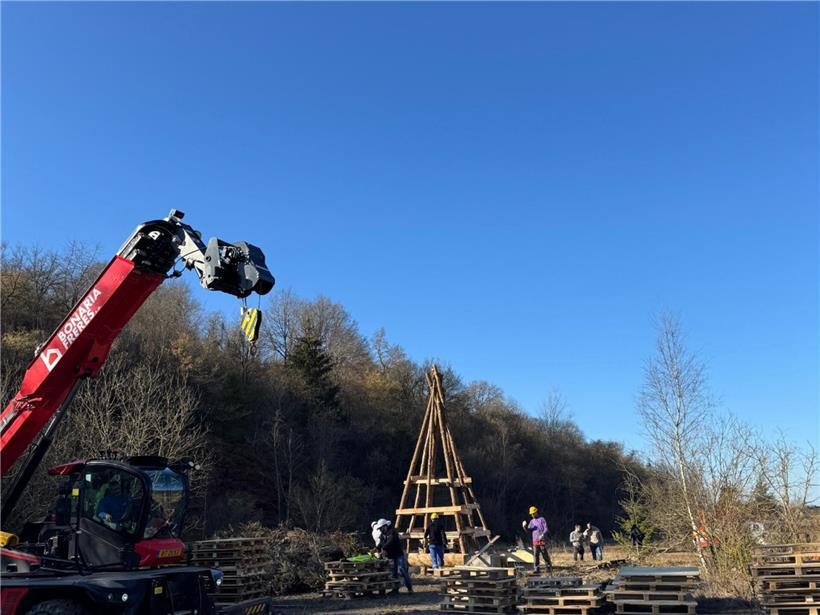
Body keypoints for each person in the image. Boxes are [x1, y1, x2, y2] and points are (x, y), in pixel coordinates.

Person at [379, 523, 413, 593]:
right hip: (391, 556)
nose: (380, 530)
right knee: (394, 573)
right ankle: (395, 589)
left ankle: (409, 588)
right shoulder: (382, 535)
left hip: (398, 555)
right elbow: (381, 543)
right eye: (379, 529)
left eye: (381, 528)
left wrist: (383, 547)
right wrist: (376, 548)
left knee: (403, 571)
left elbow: (390, 543)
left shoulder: (393, 533)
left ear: (385, 526)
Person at [522, 506, 552, 574]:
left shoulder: (542, 519)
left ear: (536, 512)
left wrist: (543, 534)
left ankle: (548, 568)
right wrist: (524, 527)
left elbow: (546, 529)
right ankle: (537, 569)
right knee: (536, 555)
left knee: (544, 554)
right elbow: (528, 531)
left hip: (542, 540)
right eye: (531, 514)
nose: (532, 515)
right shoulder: (532, 521)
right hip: (535, 541)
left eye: (533, 513)